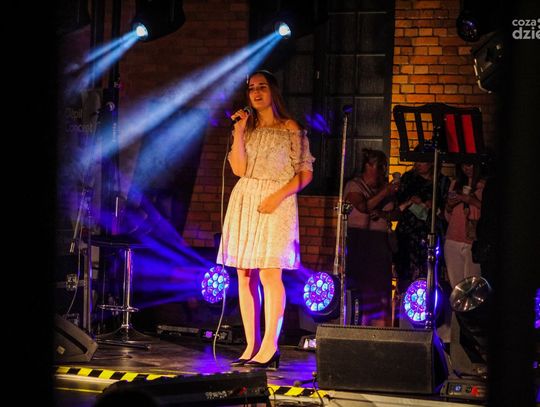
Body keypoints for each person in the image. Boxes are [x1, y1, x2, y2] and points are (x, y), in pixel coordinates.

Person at [216, 70, 314, 369]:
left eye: (262, 87)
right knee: (245, 275)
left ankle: (270, 346)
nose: (256, 92)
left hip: (277, 201)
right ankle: (251, 344)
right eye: (251, 88)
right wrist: (239, 132)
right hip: (246, 198)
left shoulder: (290, 127)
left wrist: (277, 196)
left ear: (273, 91)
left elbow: (305, 173)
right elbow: (238, 170)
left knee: (271, 274)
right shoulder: (247, 128)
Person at [343, 148, 398, 327]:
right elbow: (363, 207)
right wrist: (384, 193)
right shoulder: (354, 186)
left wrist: (383, 213)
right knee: (362, 286)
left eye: (384, 166)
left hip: (380, 243)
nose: (382, 170)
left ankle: (380, 327)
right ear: (368, 166)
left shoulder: (384, 186)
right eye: (379, 166)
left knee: (380, 289)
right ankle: (359, 324)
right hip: (361, 240)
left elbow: (396, 212)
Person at [393, 156, 450, 294]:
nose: (418, 164)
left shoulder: (442, 181)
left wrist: (433, 206)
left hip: (429, 231)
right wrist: (410, 200)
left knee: (428, 271)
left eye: (422, 161)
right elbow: (398, 203)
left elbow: (446, 210)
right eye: (416, 160)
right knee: (406, 271)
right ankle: (404, 300)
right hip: (408, 232)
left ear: (431, 163)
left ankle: (427, 300)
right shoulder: (408, 179)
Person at [444, 162, 484, 289]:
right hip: (453, 237)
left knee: (472, 286)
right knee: (457, 287)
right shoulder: (455, 184)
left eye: (470, 164)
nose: (467, 168)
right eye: (463, 165)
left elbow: (490, 212)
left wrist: (470, 200)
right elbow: (448, 215)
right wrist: (450, 205)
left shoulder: (484, 186)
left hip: (473, 240)